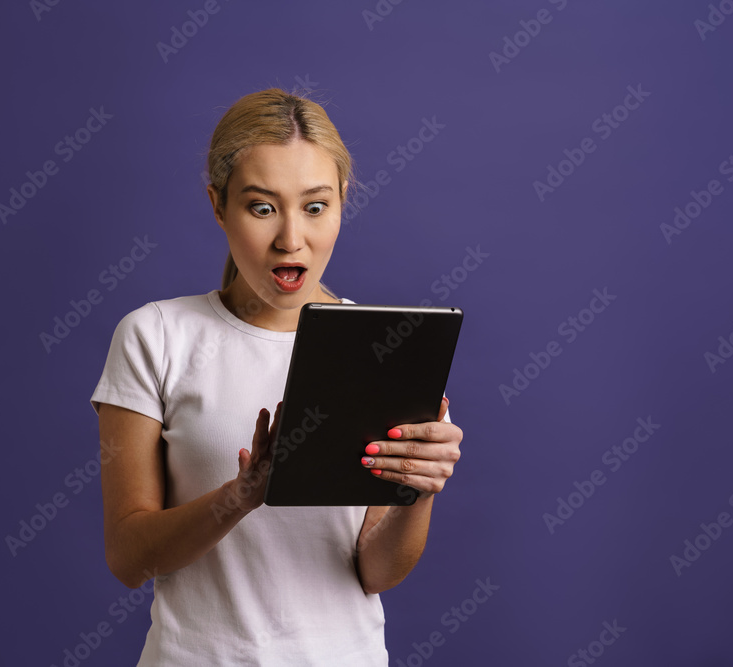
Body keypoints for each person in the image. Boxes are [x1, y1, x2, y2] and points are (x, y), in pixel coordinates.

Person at [89, 88, 464, 666]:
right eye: (262, 207)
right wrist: (242, 495)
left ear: (343, 201)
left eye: (315, 207)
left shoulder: (381, 348)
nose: (291, 238)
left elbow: (377, 570)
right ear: (218, 206)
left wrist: (417, 491)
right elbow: (129, 557)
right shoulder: (155, 336)